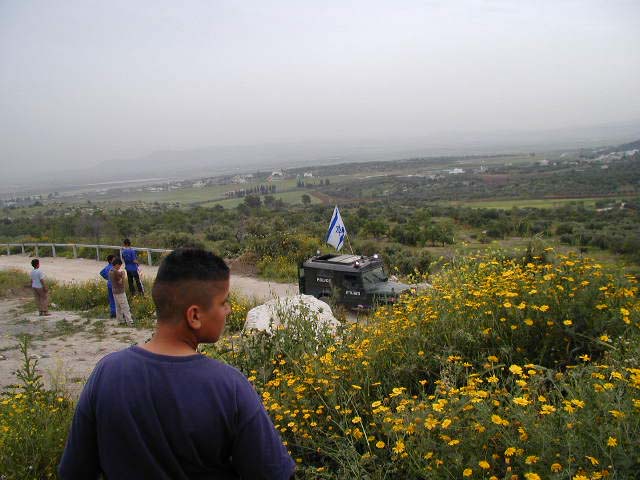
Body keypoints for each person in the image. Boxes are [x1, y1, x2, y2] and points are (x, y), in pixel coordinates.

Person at [59, 248, 295, 480]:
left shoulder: (106, 373)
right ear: (194, 316)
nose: (229, 310)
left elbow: (74, 471)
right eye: (223, 302)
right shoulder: (229, 387)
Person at [108, 258, 134, 326]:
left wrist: (122, 273)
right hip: (120, 291)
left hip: (114, 291)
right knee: (125, 307)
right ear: (116, 265)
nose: (120, 267)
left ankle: (120, 321)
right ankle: (129, 321)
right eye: (119, 265)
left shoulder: (110, 271)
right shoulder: (115, 272)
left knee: (118, 307)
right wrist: (123, 274)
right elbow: (120, 281)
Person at [99, 254, 116, 318]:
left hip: (109, 284)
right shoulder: (113, 268)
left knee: (111, 298)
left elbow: (101, 272)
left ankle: (112, 312)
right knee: (116, 298)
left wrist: (107, 277)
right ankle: (117, 312)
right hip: (114, 285)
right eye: (114, 259)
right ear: (111, 261)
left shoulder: (107, 267)